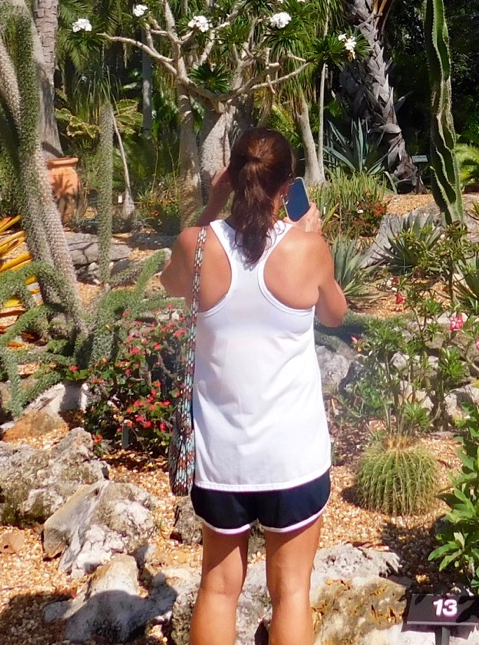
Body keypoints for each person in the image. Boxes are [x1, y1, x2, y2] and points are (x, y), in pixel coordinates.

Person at [162, 129, 347, 645]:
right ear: (286, 184)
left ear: (231, 175)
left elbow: (172, 283)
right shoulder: (307, 248)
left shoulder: (195, 246)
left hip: (221, 459)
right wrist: (307, 233)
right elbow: (335, 313)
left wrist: (211, 204)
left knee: (218, 588)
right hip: (293, 456)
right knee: (291, 593)